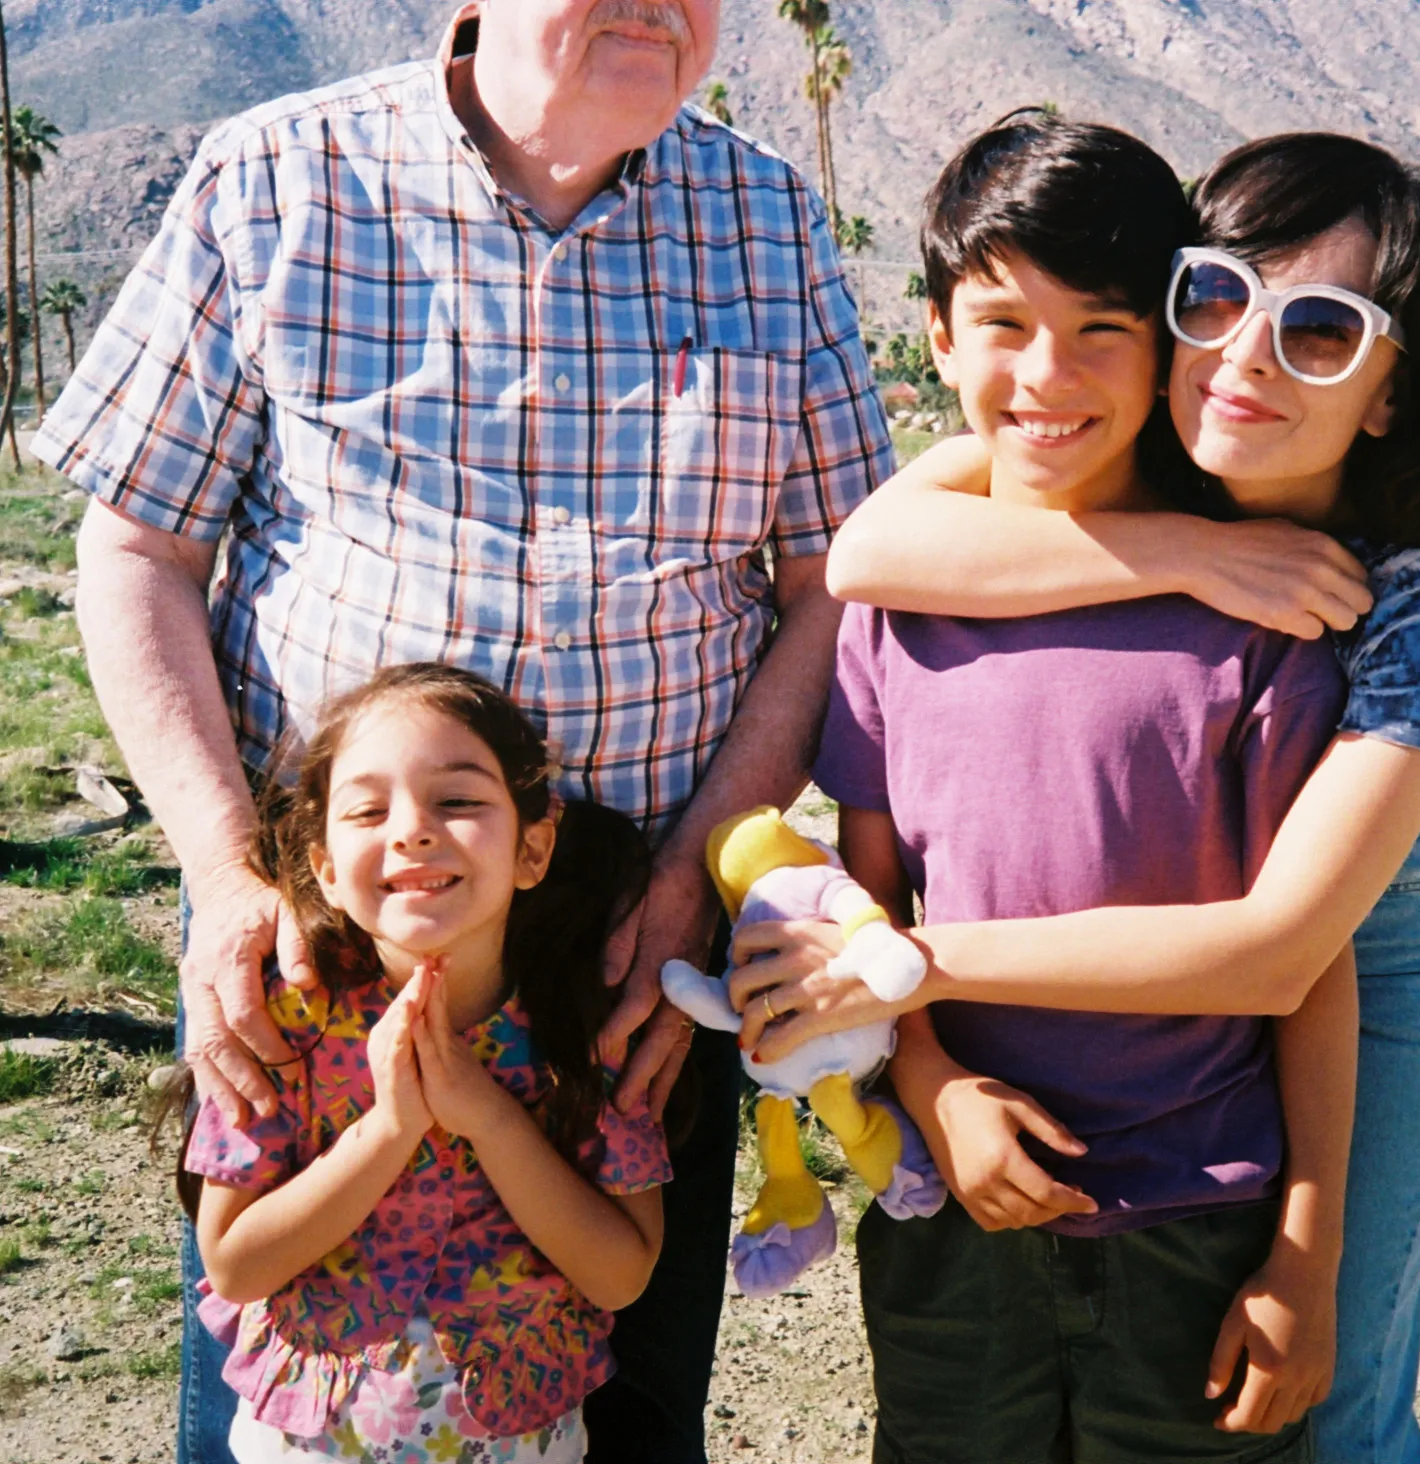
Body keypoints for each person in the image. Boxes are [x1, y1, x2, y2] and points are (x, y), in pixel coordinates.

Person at [32, 3, 894, 1459]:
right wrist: (229, 878)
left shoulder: (766, 216)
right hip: (322, 933)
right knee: (290, 1373)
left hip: (624, 946)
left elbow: (825, 592)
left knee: (620, 1380)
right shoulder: (280, 176)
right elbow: (138, 554)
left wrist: (685, 879)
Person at [730, 133, 1420, 1464]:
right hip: (1092, 971)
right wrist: (1185, 548)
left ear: (1390, 387)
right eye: (1214, 299)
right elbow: (868, 556)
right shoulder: (1098, 483)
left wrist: (896, 969)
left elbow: (1287, 954)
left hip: (1367, 907)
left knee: (1341, 1384)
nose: (1248, 359)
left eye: (1321, 329)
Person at [181, 664, 668, 1461]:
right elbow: (234, 1264)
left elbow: (621, 1275)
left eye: (459, 801)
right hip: (308, 1439)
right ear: (327, 869)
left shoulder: (585, 1030)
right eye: (369, 809)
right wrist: (390, 1129)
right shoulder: (279, 1028)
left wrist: (489, 1118)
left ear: (533, 847)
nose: (411, 829)